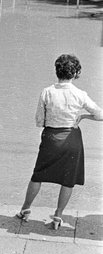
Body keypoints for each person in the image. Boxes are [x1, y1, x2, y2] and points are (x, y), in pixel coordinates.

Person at [17, 53, 103, 229]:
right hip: (72, 139)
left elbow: (39, 121)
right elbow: (100, 114)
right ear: (76, 73)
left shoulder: (47, 92)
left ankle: (25, 209)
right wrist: (84, 117)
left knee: (38, 175)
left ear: (57, 71)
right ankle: (58, 216)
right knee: (67, 179)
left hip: (51, 138)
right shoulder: (80, 94)